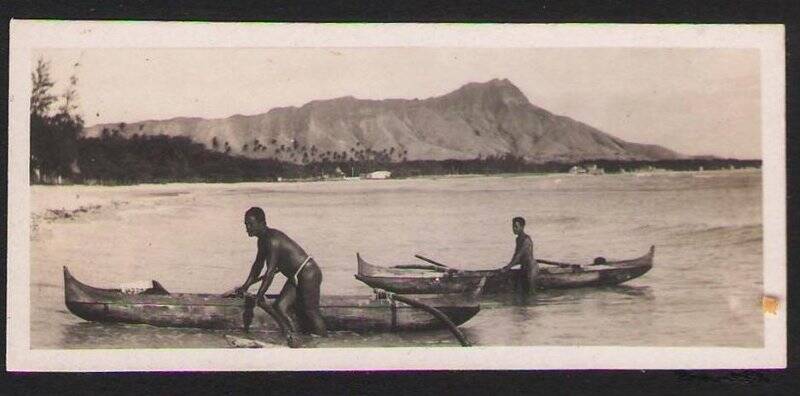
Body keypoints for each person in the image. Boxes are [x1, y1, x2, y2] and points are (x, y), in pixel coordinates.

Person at [235, 207, 328, 338]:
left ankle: (324, 341)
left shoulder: (272, 240)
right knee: (280, 306)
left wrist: (260, 294)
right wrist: (245, 286)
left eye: (250, 224)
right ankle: (294, 336)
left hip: (308, 273)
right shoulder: (262, 240)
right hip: (296, 276)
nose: (247, 228)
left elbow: (270, 271)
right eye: (246, 224)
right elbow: (257, 266)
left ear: (262, 223)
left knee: (311, 310)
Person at [500, 216, 537, 294]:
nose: (514, 229)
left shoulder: (526, 240)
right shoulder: (518, 239)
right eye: (513, 226)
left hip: (531, 268)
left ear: (522, 227)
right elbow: (516, 255)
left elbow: (518, 256)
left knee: (531, 292)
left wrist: (508, 267)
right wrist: (508, 266)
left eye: (516, 226)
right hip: (524, 267)